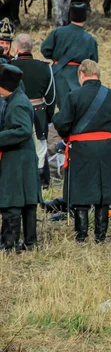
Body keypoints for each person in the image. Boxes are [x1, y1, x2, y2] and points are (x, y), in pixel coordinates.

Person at [52, 60, 111, 243]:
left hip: (82, 150)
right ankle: (100, 237)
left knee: (81, 194)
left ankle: (81, 237)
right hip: (105, 149)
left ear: (82, 74)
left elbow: (62, 123)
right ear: (98, 74)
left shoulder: (74, 96)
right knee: (103, 193)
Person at [0, 64, 42, 252]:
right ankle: (29, 242)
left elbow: (22, 130)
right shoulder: (16, 99)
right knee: (26, 201)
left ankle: (9, 243)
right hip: (22, 157)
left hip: (17, 158)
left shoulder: (17, 103)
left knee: (13, 200)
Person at [13, 33, 55, 189]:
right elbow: (51, 98)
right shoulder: (44, 67)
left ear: (16, 47)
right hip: (39, 113)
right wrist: (48, 117)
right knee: (40, 150)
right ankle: (39, 185)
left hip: (16, 113)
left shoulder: (9, 66)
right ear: (31, 48)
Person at [41, 2, 99, 109]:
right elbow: (94, 62)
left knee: (62, 108)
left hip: (58, 74)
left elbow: (45, 49)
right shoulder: (90, 40)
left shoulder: (58, 32)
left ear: (70, 16)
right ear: (85, 18)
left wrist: (56, 57)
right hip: (80, 76)